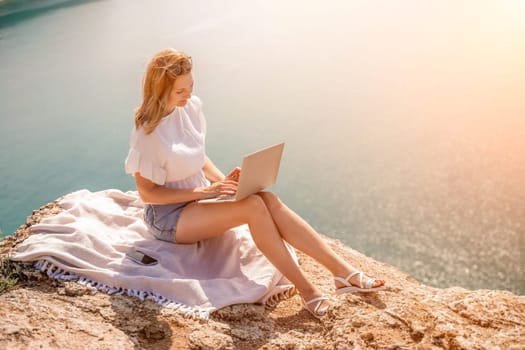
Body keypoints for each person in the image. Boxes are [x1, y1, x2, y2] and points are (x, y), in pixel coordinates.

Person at [125, 48, 385, 319]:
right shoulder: (147, 133)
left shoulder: (189, 108)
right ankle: (308, 291)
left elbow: (200, 158)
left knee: (267, 199)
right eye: (180, 91)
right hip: (169, 218)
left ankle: (343, 273)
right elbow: (148, 193)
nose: (188, 95)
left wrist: (223, 181)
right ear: (160, 89)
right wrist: (207, 191)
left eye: (190, 86)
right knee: (253, 207)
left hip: (199, 202)